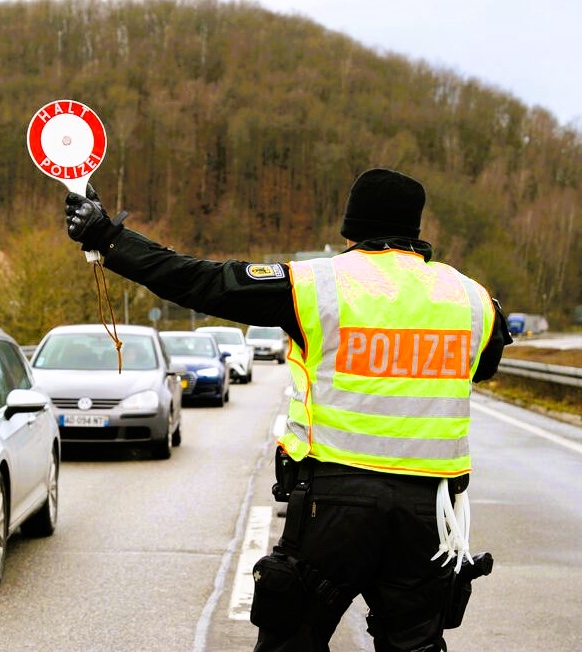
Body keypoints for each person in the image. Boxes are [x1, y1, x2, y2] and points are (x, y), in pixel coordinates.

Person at [64, 168, 512, 652]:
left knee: (290, 640)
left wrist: (109, 239)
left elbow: (200, 281)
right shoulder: (472, 299)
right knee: (415, 644)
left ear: (350, 229)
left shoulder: (318, 284)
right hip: (429, 515)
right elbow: (481, 369)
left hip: (333, 506)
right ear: (416, 231)